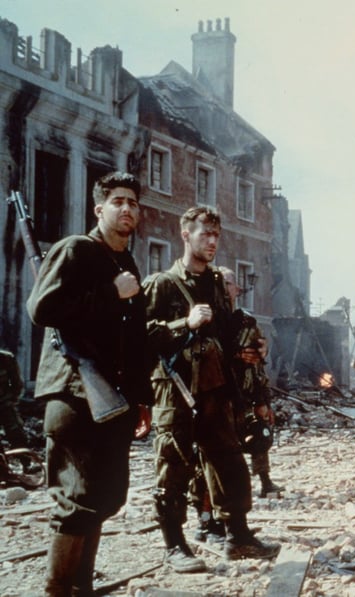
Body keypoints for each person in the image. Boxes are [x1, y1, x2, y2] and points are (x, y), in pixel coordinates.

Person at [26, 171, 153, 596]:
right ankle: (59, 589)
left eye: (133, 202)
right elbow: (41, 308)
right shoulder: (76, 250)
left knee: (107, 496)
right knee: (77, 499)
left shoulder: (127, 264)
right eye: (118, 201)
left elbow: (135, 340)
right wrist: (109, 293)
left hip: (112, 400)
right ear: (99, 210)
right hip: (74, 395)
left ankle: (80, 585)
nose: (127, 208)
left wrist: (142, 398)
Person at [144, 206, 279, 573]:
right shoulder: (163, 284)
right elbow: (140, 336)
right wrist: (183, 323)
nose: (212, 242)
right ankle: (175, 545)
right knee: (173, 466)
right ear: (185, 235)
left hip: (215, 388)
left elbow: (230, 328)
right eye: (205, 234)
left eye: (216, 236)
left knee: (230, 461)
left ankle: (238, 536)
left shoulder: (218, 284)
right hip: (176, 388)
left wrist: (255, 346)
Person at [190, 267, 282, 544]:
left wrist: (262, 401)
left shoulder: (246, 322)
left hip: (240, 400)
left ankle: (233, 523)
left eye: (228, 283)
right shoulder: (208, 319)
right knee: (203, 462)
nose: (225, 287)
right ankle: (206, 521)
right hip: (211, 399)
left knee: (238, 459)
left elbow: (258, 367)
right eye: (220, 282)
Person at [0, 348, 29, 450]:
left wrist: (11, 400)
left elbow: (17, 383)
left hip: (5, 404)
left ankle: (25, 462)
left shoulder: (5, 358)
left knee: (16, 432)